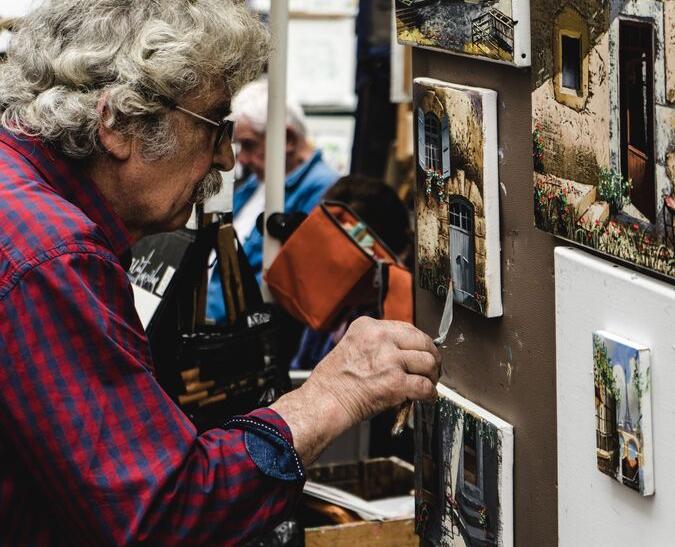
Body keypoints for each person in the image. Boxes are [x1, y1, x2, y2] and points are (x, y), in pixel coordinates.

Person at [0, 1, 440, 545]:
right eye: (214, 126)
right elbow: (164, 515)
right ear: (118, 124)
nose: (226, 159)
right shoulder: (56, 256)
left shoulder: (17, 189)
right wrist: (333, 394)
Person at [207, 79, 338, 322]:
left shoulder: (323, 190)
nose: (241, 159)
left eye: (248, 145)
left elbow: (283, 278)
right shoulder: (260, 181)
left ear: (287, 139)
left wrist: (207, 313)